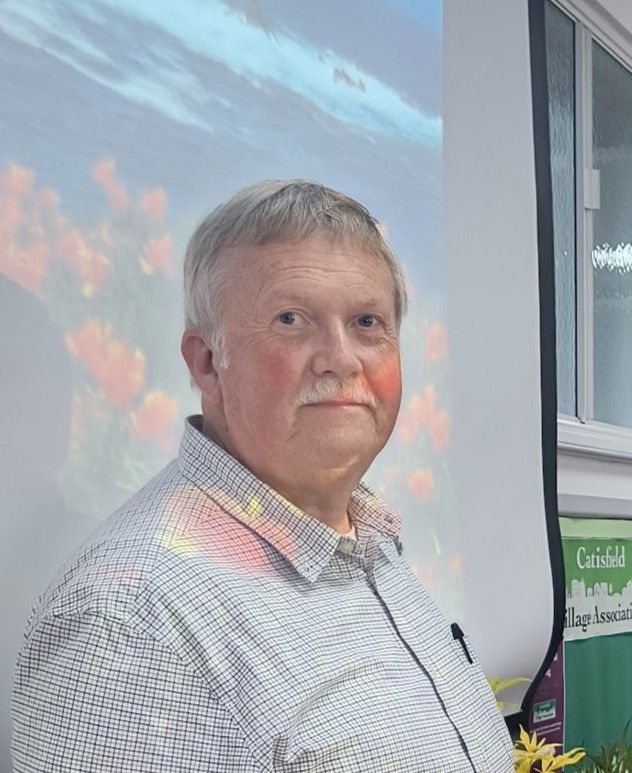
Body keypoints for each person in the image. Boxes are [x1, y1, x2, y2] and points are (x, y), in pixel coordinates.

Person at [12, 180, 513, 771]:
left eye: (367, 322)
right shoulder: (129, 625)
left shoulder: (367, 542)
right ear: (206, 362)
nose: (341, 358)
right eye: (291, 318)